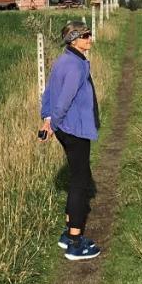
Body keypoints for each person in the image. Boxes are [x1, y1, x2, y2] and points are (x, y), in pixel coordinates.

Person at [39, 20, 102, 261]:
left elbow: (49, 92)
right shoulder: (76, 66)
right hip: (75, 129)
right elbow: (63, 99)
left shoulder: (64, 60)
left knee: (79, 175)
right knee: (80, 181)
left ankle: (67, 232)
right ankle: (75, 242)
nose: (90, 39)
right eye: (86, 36)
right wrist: (53, 123)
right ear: (73, 40)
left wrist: (47, 119)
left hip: (66, 127)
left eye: (90, 34)